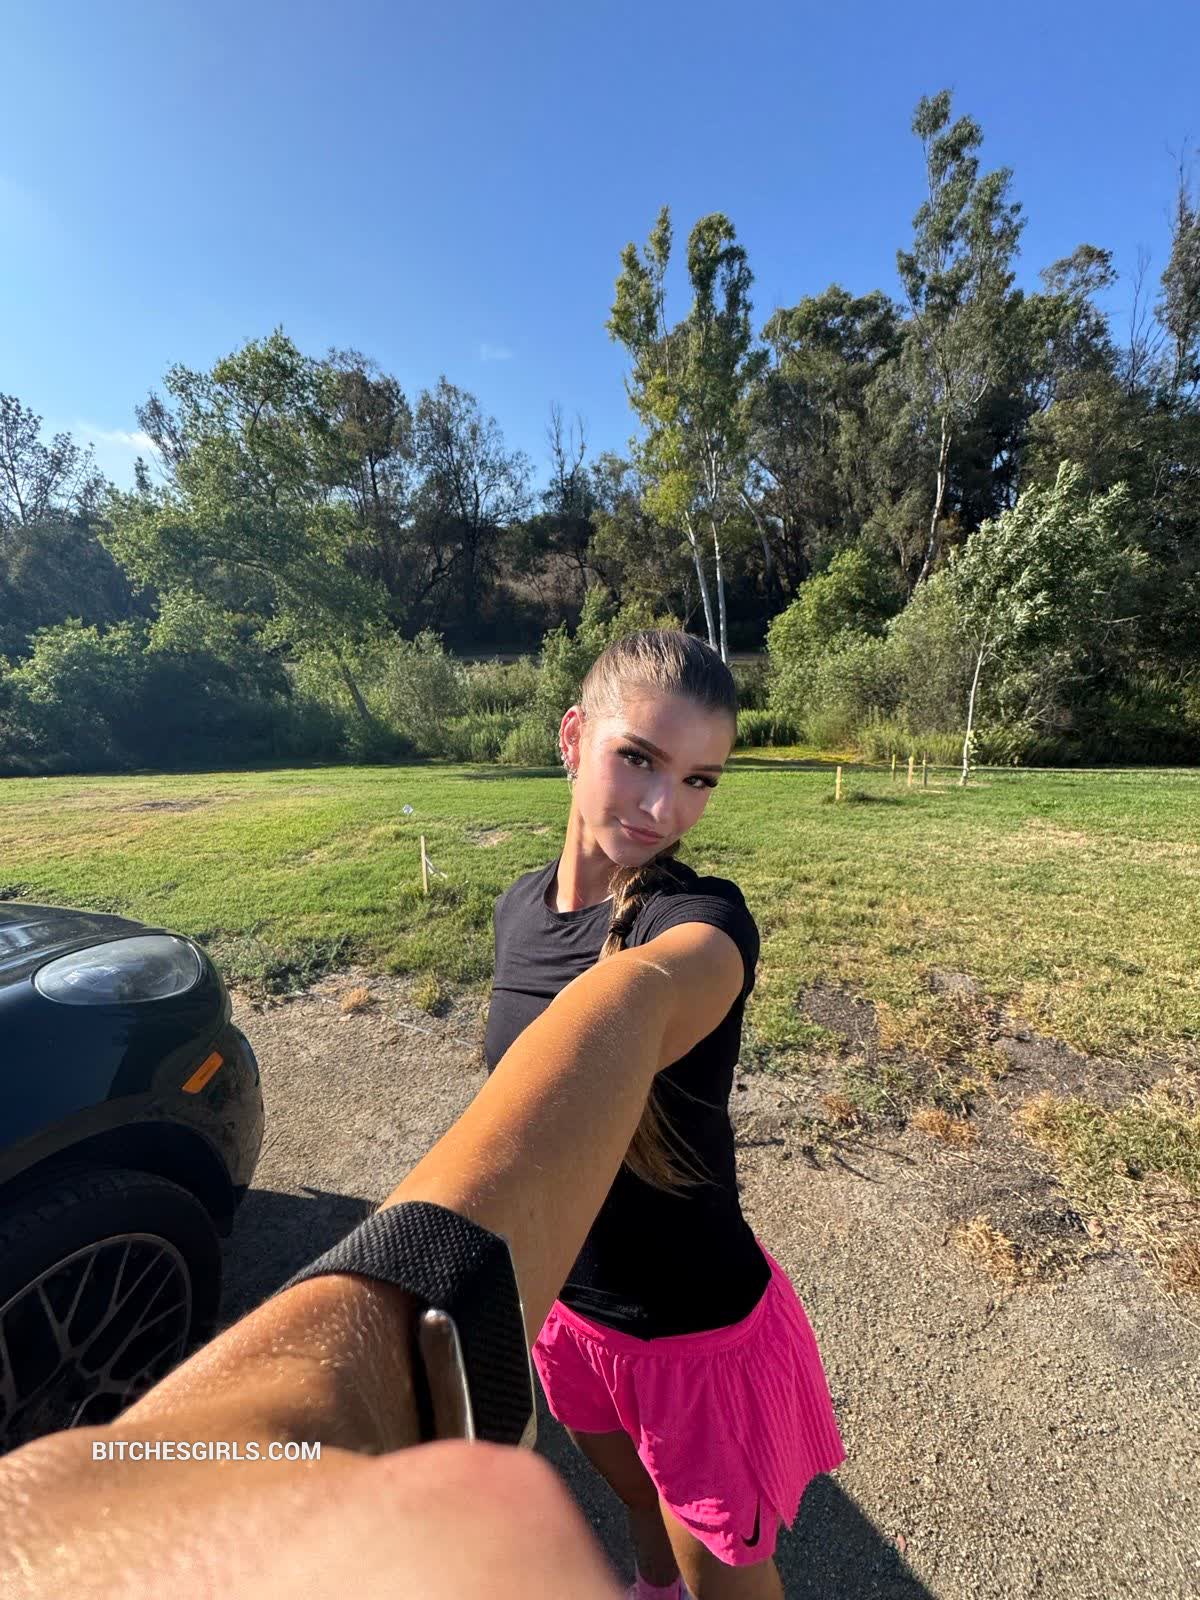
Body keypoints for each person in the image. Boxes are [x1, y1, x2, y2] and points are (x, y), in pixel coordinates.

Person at [484, 629, 844, 1600]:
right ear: (572, 737)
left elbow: (658, 988)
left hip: (693, 1336)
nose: (663, 808)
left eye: (699, 780)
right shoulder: (518, 909)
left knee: (725, 1572)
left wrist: (625, 1001)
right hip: (570, 1316)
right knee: (639, 1509)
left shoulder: (700, 919)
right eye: (639, 758)